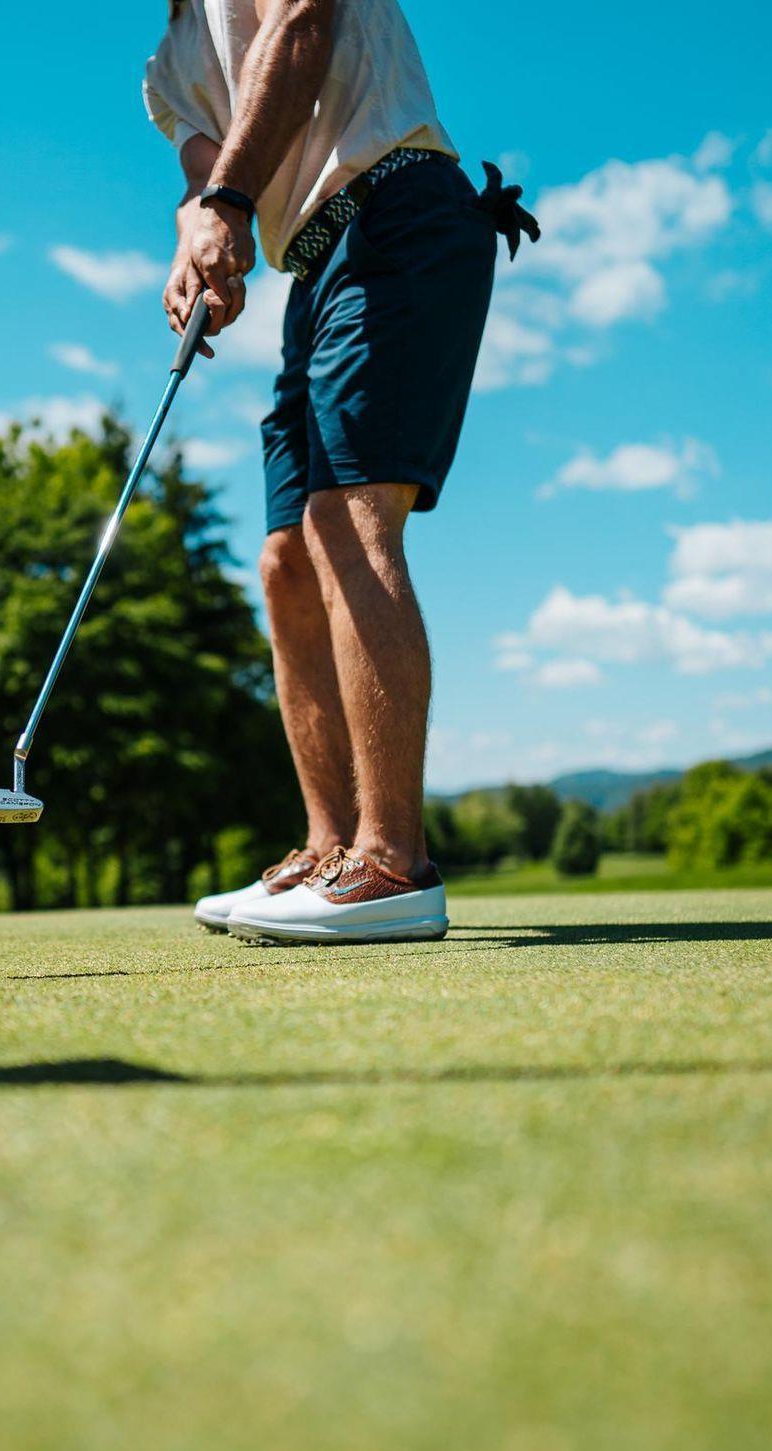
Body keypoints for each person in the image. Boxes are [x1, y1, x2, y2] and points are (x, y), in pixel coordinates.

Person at [147, 0, 538, 944]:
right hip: (314, 268)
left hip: (397, 211)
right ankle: (330, 850)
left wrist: (231, 204)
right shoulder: (165, 67)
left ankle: (394, 862)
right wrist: (196, 246)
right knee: (286, 557)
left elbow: (303, 29)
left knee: (346, 520)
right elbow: (203, 179)